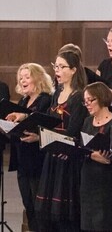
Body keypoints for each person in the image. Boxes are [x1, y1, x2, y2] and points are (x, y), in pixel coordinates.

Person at [35, 50, 88, 232]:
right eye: (55, 66)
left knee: (66, 213)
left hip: (68, 157)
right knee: (49, 213)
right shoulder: (57, 92)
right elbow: (50, 120)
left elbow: (75, 129)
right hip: (53, 154)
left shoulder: (79, 96)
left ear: (73, 70)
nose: (57, 70)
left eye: (62, 67)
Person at [5, 63, 53, 232]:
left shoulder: (45, 99)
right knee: (29, 205)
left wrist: (24, 117)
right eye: (21, 77)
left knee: (39, 207)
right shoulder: (24, 100)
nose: (23, 80)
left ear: (38, 78)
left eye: (27, 76)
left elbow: (43, 123)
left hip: (37, 159)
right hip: (23, 159)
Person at [80, 82, 112, 232]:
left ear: (101, 98)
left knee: (105, 223)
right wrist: (92, 155)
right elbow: (82, 147)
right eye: (85, 101)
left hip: (108, 182)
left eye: (90, 100)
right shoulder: (88, 121)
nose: (87, 104)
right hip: (88, 178)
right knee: (88, 224)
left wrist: (108, 158)